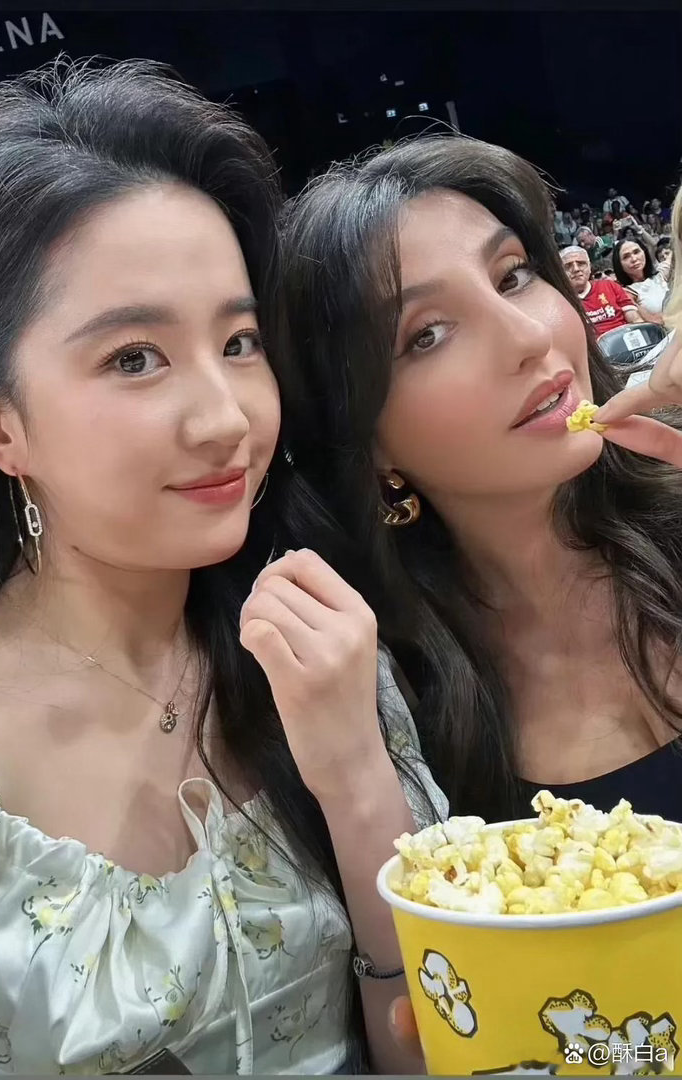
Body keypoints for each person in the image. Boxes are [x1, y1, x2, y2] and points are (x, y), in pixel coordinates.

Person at [0, 60, 447, 1075]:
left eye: (239, 341)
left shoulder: (319, 644)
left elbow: (446, 1041)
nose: (226, 419)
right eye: (134, 358)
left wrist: (356, 775)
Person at [279, 134, 682, 832]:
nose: (527, 336)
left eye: (513, 276)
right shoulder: (385, 695)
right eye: (427, 334)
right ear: (365, 442)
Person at [560, 244, 643, 336]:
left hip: (624, 339)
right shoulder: (560, 300)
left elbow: (635, 319)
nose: (576, 269)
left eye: (581, 264)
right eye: (568, 266)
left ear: (589, 267)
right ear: (561, 271)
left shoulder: (610, 286)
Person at [611, 237, 669, 323]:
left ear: (644, 252)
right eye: (626, 257)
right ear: (619, 264)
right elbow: (652, 321)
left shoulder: (661, 274)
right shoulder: (626, 294)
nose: (634, 259)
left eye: (636, 252)